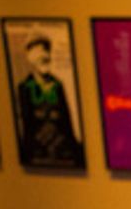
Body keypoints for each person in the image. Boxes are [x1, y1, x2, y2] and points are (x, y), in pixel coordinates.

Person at [14, 33, 82, 167]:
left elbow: (66, 120)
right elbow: (25, 123)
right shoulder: (24, 87)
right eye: (38, 51)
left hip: (61, 150)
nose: (44, 55)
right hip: (37, 151)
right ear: (30, 57)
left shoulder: (57, 85)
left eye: (46, 50)